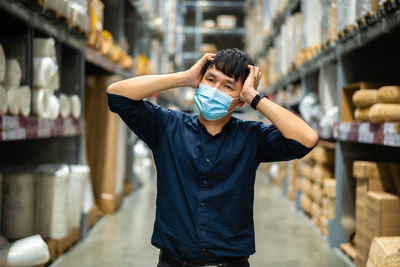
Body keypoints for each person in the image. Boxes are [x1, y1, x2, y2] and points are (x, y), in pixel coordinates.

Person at [107, 48, 318, 267]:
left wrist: (255, 97)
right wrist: (185, 78)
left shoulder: (252, 138)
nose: (215, 90)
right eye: (210, 79)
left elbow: (307, 138)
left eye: (228, 86)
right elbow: (116, 95)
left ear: (239, 100)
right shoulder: (167, 127)